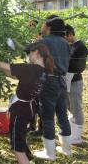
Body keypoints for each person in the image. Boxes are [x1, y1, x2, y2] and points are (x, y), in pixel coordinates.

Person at [0, 43, 54, 164]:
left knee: (17, 145)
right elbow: (13, 75)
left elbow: (6, 66)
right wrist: (1, 67)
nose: (28, 55)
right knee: (20, 138)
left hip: (20, 110)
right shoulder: (42, 70)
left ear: (36, 52)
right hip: (28, 109)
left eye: (29, 53)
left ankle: (24, 160)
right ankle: (27, 158)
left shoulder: (31, 68)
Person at [34, 15, 72, 161]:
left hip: (47, 82)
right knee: (62, 116)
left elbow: (34, 61)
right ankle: (66, 150)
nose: (41, 27)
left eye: (43, 24)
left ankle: (49, 154)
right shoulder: (64, 43)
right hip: (61, 81)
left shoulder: (43, 42)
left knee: (48, 117)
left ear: (48, 27)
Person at [65, 24, 88, 145]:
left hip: (75, 81)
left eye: (64, 36)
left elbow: (79, 66)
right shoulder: (70, 46)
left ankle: (77, 137)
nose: (63, 40)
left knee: (76, 108)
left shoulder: (80, 47)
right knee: (70, 107)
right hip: (68, 81)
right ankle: (72, 132)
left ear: (70, 34)